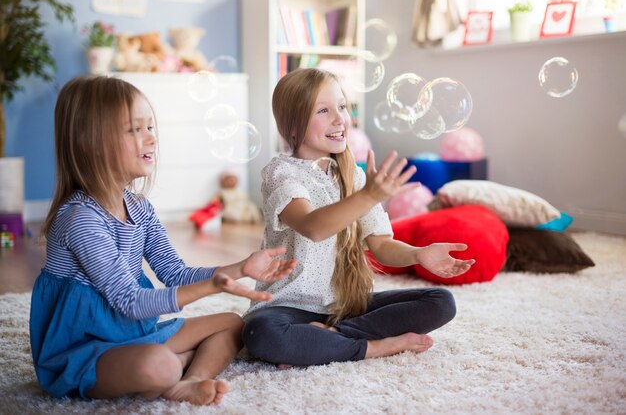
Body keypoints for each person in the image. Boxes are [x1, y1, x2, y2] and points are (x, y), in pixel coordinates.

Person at [29, 75, 297, 405]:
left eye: (150, 127)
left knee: (232, 323)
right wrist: (215, 286)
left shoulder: (139, 208)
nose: (150, 139)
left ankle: (191, 378)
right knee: (157, 366)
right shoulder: (80, 219)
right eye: (133, 130)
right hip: (84, 351)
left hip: (132, 334)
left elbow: (174, 272)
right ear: (89, 142)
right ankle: (176, 368)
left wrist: (241, 267)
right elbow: (131, 302)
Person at [242, 68, 475, 367]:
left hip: (344, 308)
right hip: (288, 307)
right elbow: (313, 227)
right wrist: (368, 196)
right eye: (324, 110)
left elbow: (381, 245)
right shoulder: (280, 173)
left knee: (441, 303)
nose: (340, 119)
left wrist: (419, 254)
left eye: (342, 106)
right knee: (259, 333)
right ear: (294, 125)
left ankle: (330, 338)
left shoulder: (354, 177)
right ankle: (374, 347)